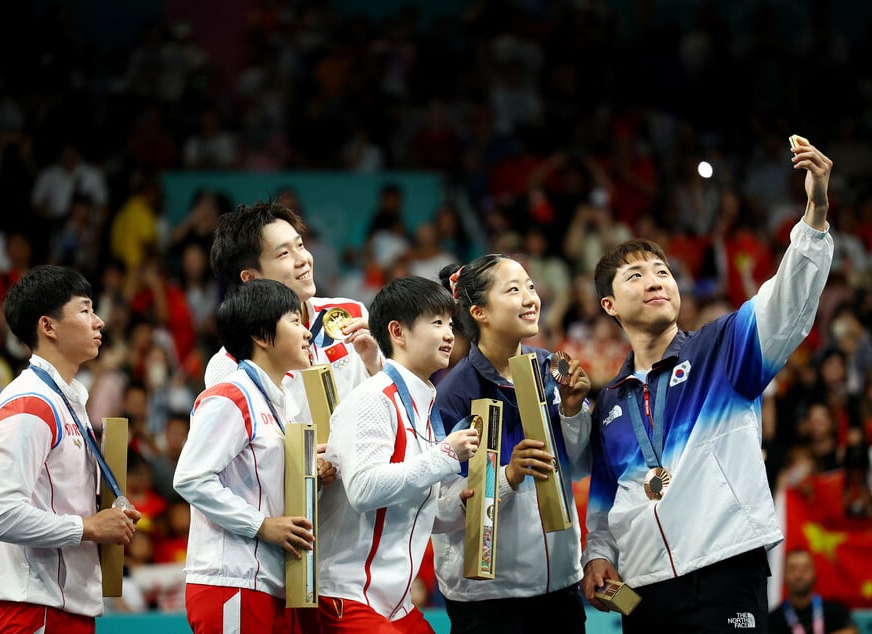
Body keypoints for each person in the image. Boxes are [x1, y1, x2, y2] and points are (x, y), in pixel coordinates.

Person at [567, 137, 835, 632]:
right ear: (609, 306)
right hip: (644, 591)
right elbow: (605, 499)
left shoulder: (722, 348)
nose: (655, 281)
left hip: (725, 569)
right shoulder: (609, 401)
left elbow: (785, 304)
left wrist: (814, 218)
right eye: (635, 276)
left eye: (662, 272)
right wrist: (597, 556)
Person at [432, 254, 592, 633]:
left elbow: (584, 466)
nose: (530, 297)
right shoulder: (452, 396)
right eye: (514, 289)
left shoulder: (555, 369)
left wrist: (573, 413)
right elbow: (437, 510)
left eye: (531, 287)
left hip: (559, 585)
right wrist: (507, 475)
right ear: (480, 312)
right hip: (487, 599)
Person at [0, 264, 142, 632]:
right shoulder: (28, 404)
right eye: (85, 310)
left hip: (67, 607)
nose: (98, 321)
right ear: (47, 326)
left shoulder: (67, 400)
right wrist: (89, 527)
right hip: (34, 610)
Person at [317, 276, 479, 633]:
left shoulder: (424, 405)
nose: (449, 334)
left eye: (451, 324)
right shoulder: (373, 397)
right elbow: (363, 490)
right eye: (436, 323)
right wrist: (445, 456)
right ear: (398, 332)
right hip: (347, 597)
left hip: (395, 605)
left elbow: (415, 510)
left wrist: (461, 507)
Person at [173, 279, 333, 632]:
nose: (306, 332)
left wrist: (313, 478)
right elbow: (190, 478)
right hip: (231, 580)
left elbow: (267, 490)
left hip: (271, 580)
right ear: (262, 335)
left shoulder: (282, 403)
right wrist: (262, 525)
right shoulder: (230, 396)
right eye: (294, 321)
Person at [204, 201, 383, 425]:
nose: (303, 260)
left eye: (300, 245)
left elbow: (393, 409)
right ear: (250, 278)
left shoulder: (350, 313)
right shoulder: (230, 363)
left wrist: (376, 366)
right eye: (284, 254)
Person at [769, 549, 859, 634]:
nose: (799, 574)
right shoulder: (773, 619)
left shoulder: (835, 610)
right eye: (793, 569)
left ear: (814, 573)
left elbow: (852, 632)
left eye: (805, 568)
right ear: (784, 575)